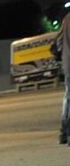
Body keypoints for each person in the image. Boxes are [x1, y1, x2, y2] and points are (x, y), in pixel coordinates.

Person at [57, 13, 70, 145]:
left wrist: (65, 55)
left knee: (68, 98)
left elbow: (59, 41)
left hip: (68, 65)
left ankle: (63, 133)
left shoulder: (66, 18)